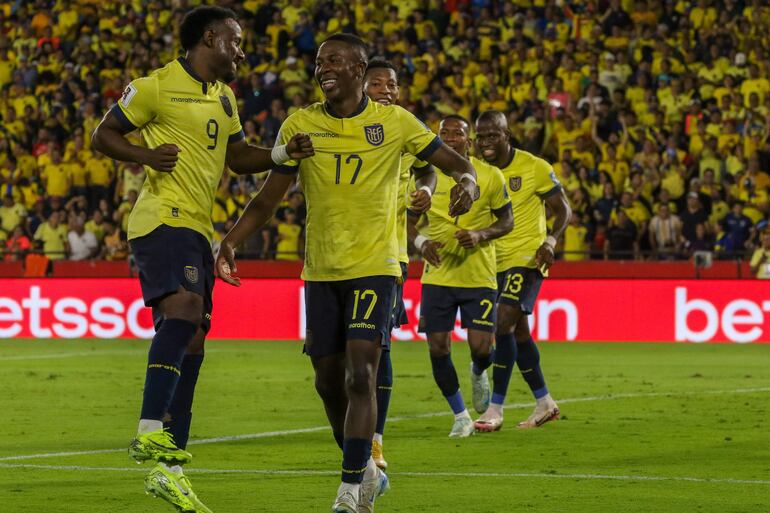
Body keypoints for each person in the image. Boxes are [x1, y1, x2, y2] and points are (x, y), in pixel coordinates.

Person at [216, 33, 477, 513]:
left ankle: (349, 489)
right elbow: (269, 197)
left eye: (334, 60)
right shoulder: (301, 124)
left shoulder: (395, 122)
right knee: (327, 381)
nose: (323, 68)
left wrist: (468, 181)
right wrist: (230, 240)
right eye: (319, 62)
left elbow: (452, 163)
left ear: (359, 68)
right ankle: (366, 471)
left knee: (362, 374)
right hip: (320, 270)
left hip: (375, 266)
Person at [91, 6, 313, 513]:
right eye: (235, 41)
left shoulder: (224, 97)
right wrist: (147, 156)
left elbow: (238, 160)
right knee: (185, 312)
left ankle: (169, 472)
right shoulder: (154, 86)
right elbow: (102, 135)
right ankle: (149, 430)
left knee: (193, 341)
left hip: (196, 226)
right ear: (210, 38)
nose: (241, 50)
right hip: (160, 219)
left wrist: (283, 153)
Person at [409, 115, 513, 438]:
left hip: (478, 275)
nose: (451, 138)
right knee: (438, 348)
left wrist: (481, 235)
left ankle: (479, 370)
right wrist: (421, 242)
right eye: (445, 133)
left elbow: (507, 221)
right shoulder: (425, 177)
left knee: (481, 347)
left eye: (458, 133)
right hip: (438, 274)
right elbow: (405, 223)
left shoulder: (490, 176)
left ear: (469, 142)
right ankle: (460, 415)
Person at [472, 110, 571, 432]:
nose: (485, 142)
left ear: (506, 135)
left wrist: (551, 241)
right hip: (491, 262)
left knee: (502, 323)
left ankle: (494, 409)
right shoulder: (478, 171)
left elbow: (563, 209)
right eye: (481, 136)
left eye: (492, 135)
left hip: (527, 258)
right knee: (518, 331)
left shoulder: (534, 167)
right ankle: (544, 402)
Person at [363, 58, 436, 470]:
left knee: (380, 345)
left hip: (389, 255)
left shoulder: (406, 127)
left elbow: (429, 169)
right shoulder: (339, 126)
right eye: (378, 84)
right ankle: (356, 434)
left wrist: (425, 189)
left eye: (392, 84)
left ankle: (375, 439)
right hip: (335, 257)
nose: (387, 90)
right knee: (338, 359)